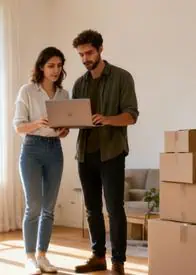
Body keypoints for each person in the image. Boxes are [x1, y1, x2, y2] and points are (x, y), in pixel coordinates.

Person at [70, 29, 139, 275]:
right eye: (81, 54)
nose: (85, 58)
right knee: (91, 209)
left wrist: (108, 119)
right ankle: (98, 256)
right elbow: (75, 117)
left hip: (111, 153)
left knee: (114, 208)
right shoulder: (79, 83)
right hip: (85, 154)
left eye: (89, 52)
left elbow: (131, 116)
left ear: (100, 49)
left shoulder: (122, 77)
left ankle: (118, 260)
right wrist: (63, 126)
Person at [13, 47, 70, 274]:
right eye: (51, 65)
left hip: (55, 150)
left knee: (49, 208)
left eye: (59, 65)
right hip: (32, 149)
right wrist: (39, 122)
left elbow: (63, 132)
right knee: (33, 206)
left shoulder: (64, 95)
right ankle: (29, 258)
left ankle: (43, 256)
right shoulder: (27, 91)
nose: (55, 70)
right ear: (41, 67)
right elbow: (18, 127)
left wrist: (63, 129)